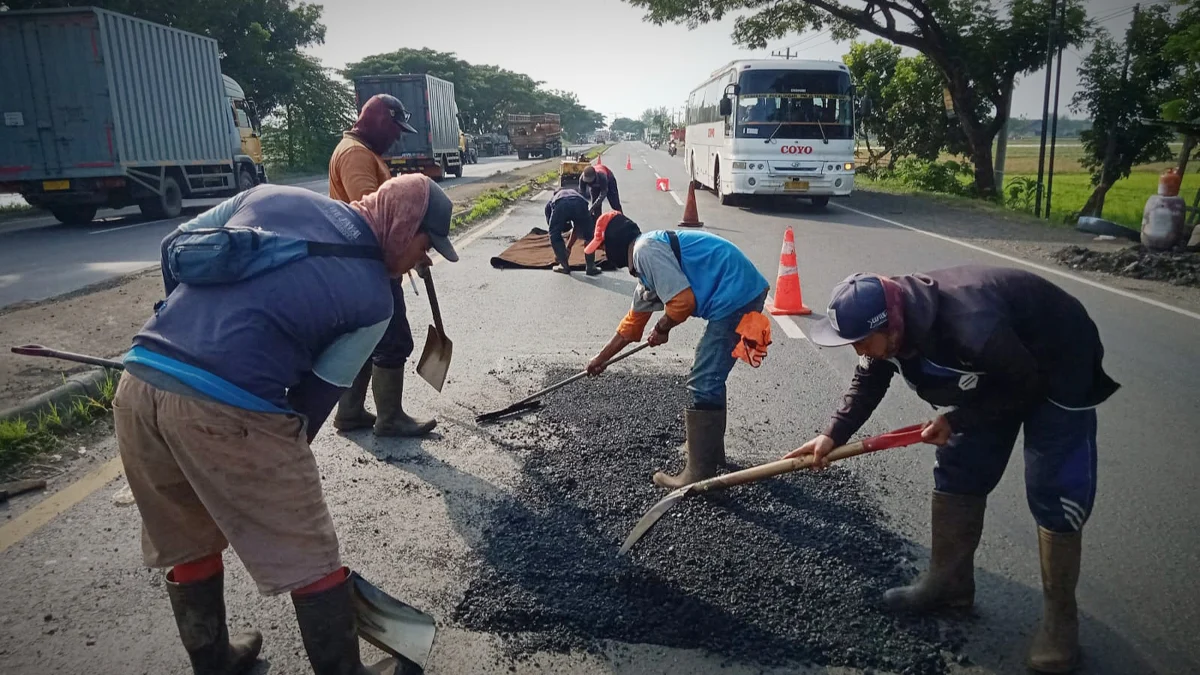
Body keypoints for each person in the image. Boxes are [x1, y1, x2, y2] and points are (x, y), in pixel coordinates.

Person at [114, 175, 458, 675]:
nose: (423, 261)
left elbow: (175, 246)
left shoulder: (270, 196)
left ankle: (214, 662)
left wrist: (190, 332)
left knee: (187, 535)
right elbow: (313, 404)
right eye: (427, 246)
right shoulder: (375, 304)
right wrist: (278, 474)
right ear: (405, 226)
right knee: (309, 551)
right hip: (228, 408)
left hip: (139, 383)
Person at [788, 266, 1119, 674]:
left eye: (860, 342)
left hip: (1059, 361)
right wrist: (832, 435)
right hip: (998, 368)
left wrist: (958, 420)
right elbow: (868, 381)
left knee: (1054, 491)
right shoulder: (889, 327)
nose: (859, 352)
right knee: (960, 466)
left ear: (891, 327)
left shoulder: (970, 324)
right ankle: (949, 585)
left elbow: (1025, 387)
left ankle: (1061, 623)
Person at [585, 214, 770, 487]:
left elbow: (682, 302)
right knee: (710, 378)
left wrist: (662, 327)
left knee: (703, 381)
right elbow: (631, 326)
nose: (602, 253)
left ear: (614, 242)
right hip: (740, 290)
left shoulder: (644, 251)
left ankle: (700, 475)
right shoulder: (645, 267)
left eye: (602, 246)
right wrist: (600, 360)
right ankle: (712, 455)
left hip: (736, 294)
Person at [328, 94, 438, 438]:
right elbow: (376, 216)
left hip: (358, 263)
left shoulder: (360, 151)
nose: (397, 137)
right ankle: (389, 417)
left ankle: (350, 412)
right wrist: (410, 251)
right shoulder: (355, 155)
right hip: (369, 265)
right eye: (395, 128)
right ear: (378, 119)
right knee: (392, 339)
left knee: (365, 339)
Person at [544, 187, 598, 276]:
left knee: (554, 234)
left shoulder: (552, 201)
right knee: (589, 235)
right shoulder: (575, 194)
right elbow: (577, 227)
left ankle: (564, 266)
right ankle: (590, 267)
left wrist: (560, 253)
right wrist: (568, 248)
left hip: (562, 205)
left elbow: (553, 232)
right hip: (580, 203)